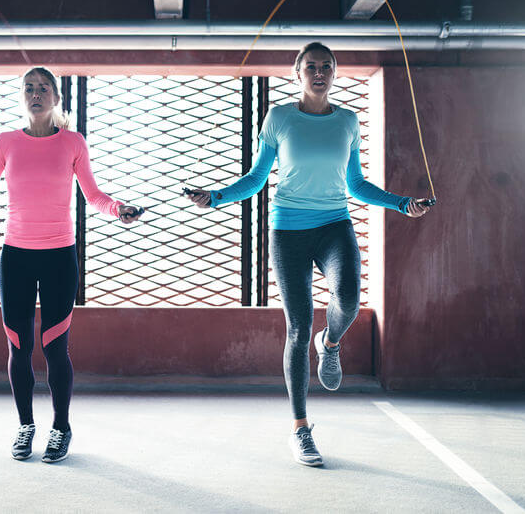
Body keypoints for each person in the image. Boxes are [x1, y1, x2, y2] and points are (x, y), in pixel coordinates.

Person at [184, 42, 430, 467]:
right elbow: (257, 178)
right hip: (289, 231)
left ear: (335, 73)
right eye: (311, 66)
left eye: (327, 66)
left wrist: (401, 203)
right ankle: (300, 429)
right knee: (297, 327)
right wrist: (217, 196)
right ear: (297, 73)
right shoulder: (279, 118)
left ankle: (330, 342)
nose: (320, 72)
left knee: (349, 298)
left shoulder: (348, 122)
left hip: (334, 225)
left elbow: (355, 184)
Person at [0, 67, 144, 463]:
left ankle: (61, 428)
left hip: (59, 257)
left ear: (55, 97)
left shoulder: (73, 142)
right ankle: (25, 426)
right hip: (15, 257)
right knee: (19, 346)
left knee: (55, 348)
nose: (36, 94)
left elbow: (94, 195)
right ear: (23, 97)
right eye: (29, 89)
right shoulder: (6, 142)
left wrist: (119, 209)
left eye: (43, 88)